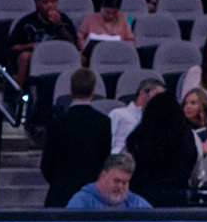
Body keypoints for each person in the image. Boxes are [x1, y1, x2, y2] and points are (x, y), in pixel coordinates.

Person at [43, 66, 111, 206]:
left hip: (60, 194)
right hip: (91, 196)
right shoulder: (103, 122)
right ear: (93, 91)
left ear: (70, 90)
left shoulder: (57, 122)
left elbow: (46, 164)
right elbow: (105, 160)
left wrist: (59, 182)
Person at [125, 87, 197, 205]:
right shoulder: (187, 136)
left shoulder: (140, 136)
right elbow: (195, 169)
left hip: (142, 200)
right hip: (176, 200)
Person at [8, 0, 76, 85]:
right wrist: (30, 46)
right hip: (35, 56)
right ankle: (19, 91)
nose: (50, 5)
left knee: (81, 57)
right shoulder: (26, 22)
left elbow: (73, 45)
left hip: (58, 56)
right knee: (24, 57)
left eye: (53, 1)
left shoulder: (64, 20)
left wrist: (59, 26)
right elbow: (13, 47)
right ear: (38, 3)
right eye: (45, 2)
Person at [70, 151, 153, 208]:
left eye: (124, 182)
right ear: (103, 175)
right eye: (116, 181)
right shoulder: (82, 201)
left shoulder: (136, 204)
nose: (120, 186)